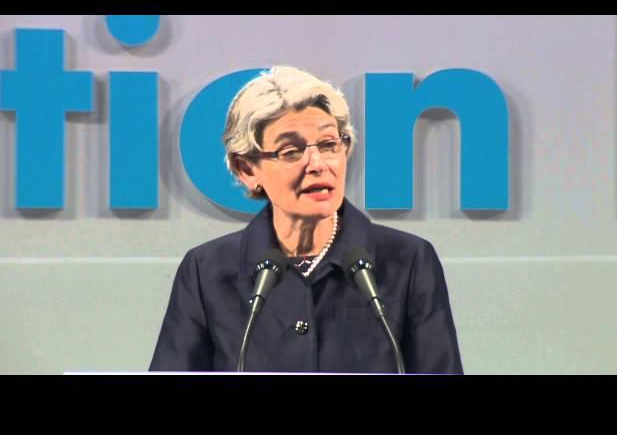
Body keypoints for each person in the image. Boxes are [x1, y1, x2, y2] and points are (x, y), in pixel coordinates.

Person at [149, 66, 463, 373]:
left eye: (329, 145)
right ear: (247, 169)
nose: (317, 164)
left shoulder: (408, 261)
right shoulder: (207, 271)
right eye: (290, 151)